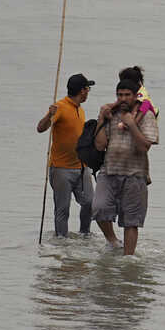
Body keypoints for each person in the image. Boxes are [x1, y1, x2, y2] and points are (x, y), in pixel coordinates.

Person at [91, 79, 160, 255]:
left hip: (135, 173)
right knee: (99, 208)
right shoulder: (111, 114)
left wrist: (131, 124)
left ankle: (128, 258)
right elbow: (100, 146)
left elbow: (144, 147)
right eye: (119, 95)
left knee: (131, 221)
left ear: (135, 96)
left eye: (127, 95)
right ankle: (113, 241)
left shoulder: (147, 115)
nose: (122, 99)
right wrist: (101, 119)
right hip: (109, 170)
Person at [36, 72, 96, 237]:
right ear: (82, 91)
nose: (88, 92)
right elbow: (41, 128)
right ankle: (61, 242)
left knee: (90, 203)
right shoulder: (60, 107)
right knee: (63, 210)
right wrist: (49, 114)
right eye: (88, 88)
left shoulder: (80, 109)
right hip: (61, 169)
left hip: (82, 167)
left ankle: (85, 234)